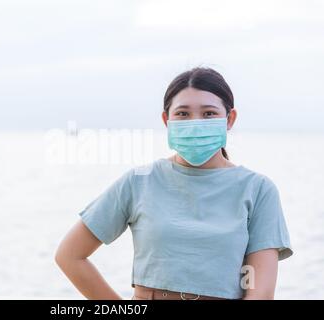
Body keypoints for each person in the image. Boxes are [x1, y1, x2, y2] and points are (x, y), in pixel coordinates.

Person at [55, 67, 293, 300]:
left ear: (229, 119)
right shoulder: (140, 181)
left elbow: (260, 294)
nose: (195, 123)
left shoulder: (258, 189)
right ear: (166, 120)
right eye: (183, 114)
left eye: (209, 113)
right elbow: (70, 256)